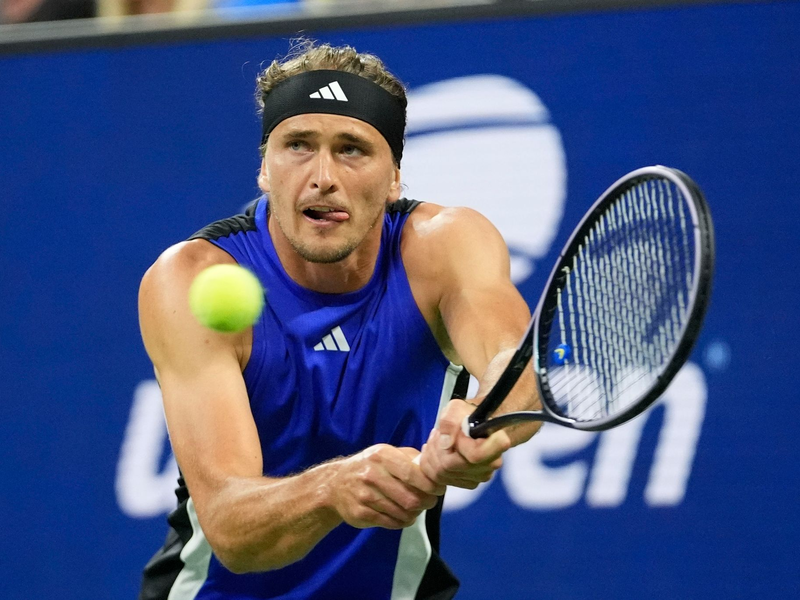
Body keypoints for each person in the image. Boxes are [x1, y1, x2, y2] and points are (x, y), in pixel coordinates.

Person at [137, 41, 541, 600]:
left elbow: (517, 368)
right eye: (298, 145)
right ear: (264, 168)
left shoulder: (443, 247)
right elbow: (231, 529)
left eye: (352, 149)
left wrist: (481, 419)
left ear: (395, 177)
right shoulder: (189, 278)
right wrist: (335, 486)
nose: (322, 176)